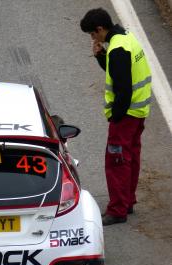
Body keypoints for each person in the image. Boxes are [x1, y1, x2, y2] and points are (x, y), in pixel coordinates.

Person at [80, 8, 152, 226]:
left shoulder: (118, 49)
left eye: (93, 34)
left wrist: (115, 117)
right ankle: (127, 201)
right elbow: (118, 72)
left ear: (100, 29)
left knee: (116, 161)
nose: (94, 38)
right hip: (138, 112)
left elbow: (123, 88)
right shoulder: (126, 38)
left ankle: (117, 209)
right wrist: (101, 56)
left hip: (125, 115)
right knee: (130, 157)